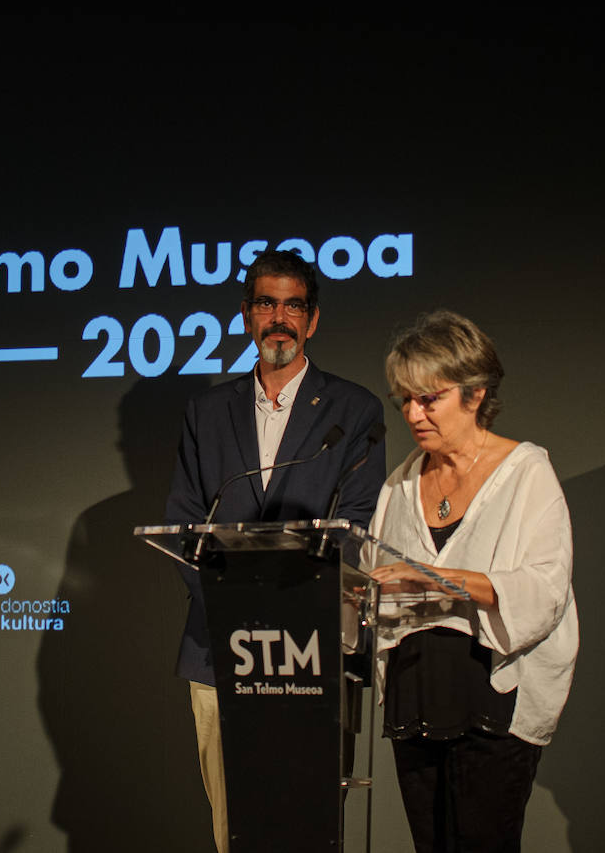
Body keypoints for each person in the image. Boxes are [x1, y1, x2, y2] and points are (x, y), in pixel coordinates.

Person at [163, 249, 385, 853]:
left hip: (310, 652)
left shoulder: (353, 410)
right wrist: (235, 604)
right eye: (266, 303)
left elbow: (357, 526)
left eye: (293, 306)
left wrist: (286, 605)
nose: (279, 318)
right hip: (219, 652)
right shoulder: (207, 413)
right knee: (233, 828)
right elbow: (183, 525)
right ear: (246, 315)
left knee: (303, 829)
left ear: (312, 320)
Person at [367, 310, 578, 853]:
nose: (413, 414)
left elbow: (545, 588)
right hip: (415, 692)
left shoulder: (526, 472)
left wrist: (438, 578)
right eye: (404, 400)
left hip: (490, 695)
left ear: (475, 393)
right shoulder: (400, 485)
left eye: (428, 399)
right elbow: (375, 577)